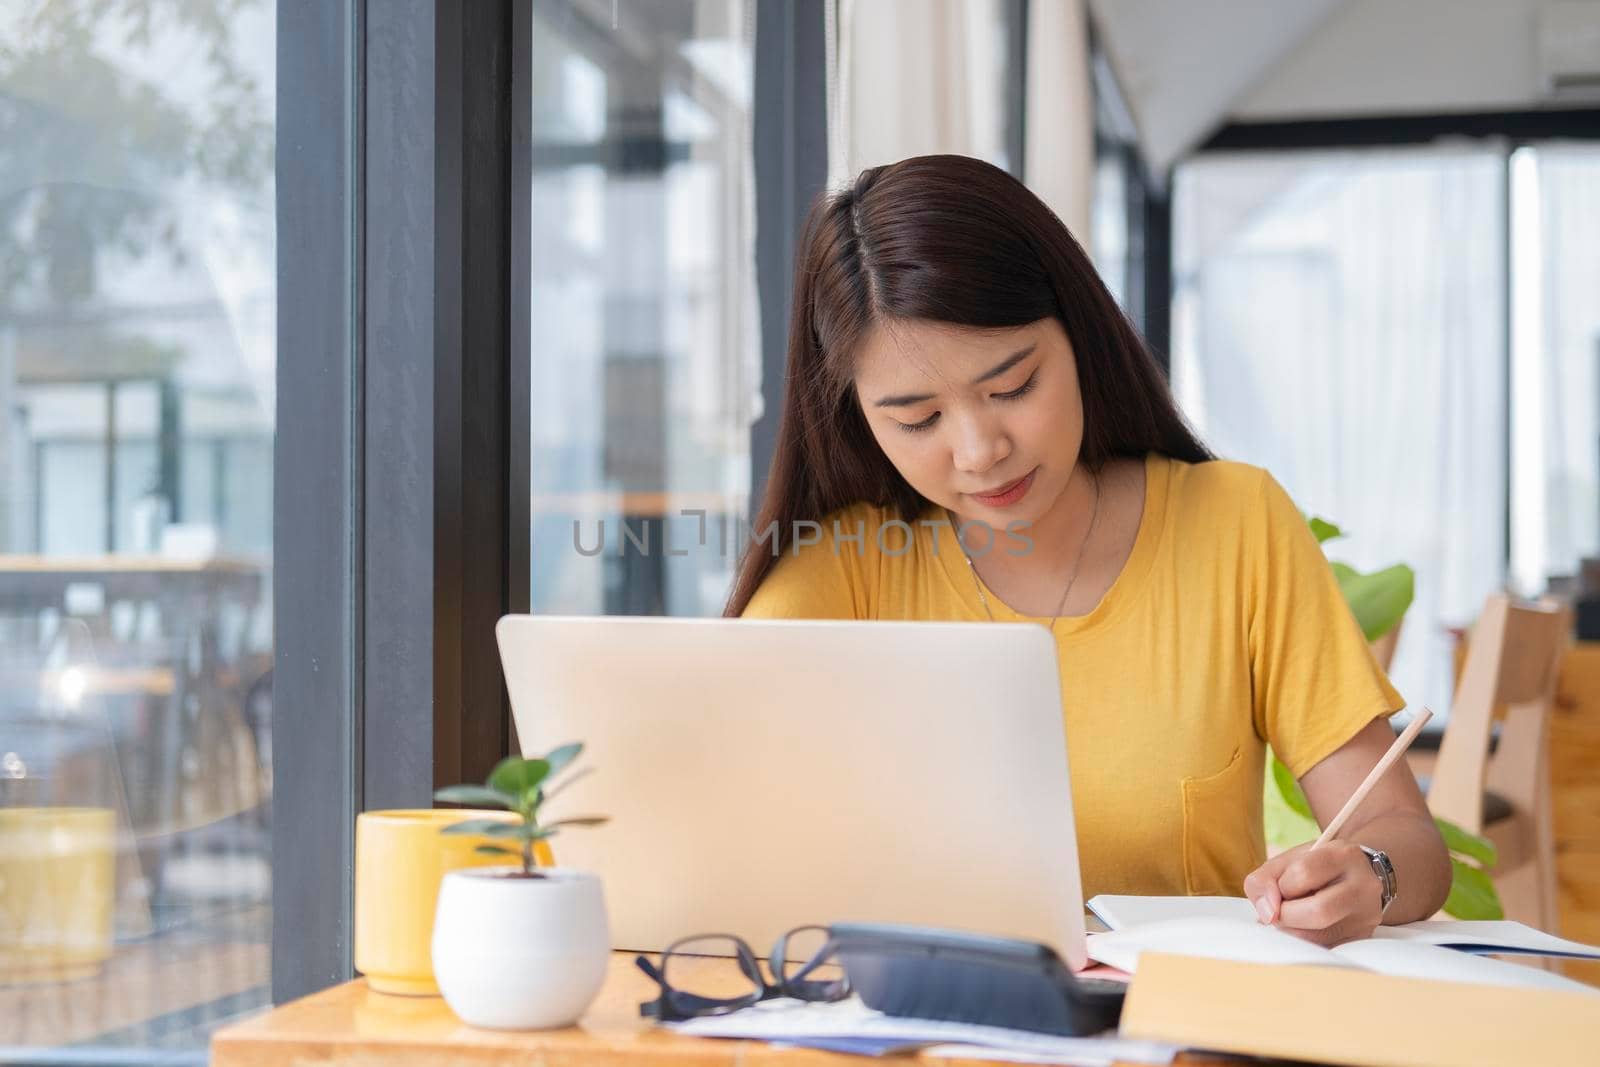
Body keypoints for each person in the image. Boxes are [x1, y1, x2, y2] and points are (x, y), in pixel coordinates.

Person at [727, 154, 1449, 947]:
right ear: (857, 416)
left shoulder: (1234, 525)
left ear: (1079, 333)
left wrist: (1370, 874)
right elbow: (709, 809)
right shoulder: (845, 569)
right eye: (918, 418)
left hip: (1178, 1029)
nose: (979, 450)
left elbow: (1403, 833)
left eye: (1011, 388)